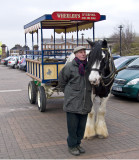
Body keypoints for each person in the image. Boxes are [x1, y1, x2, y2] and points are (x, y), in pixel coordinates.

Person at [58, 46, 92, 156]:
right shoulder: (69, 66)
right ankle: (72, 146)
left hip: (85, 102)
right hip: (72, 103)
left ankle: (78, 144)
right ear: (76, 54)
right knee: (72, 127)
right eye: (81, 52)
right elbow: (62, 81)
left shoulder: (89, 67)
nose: (83, 54)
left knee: (81, 127)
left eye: (84, 52)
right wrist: (69, 94)